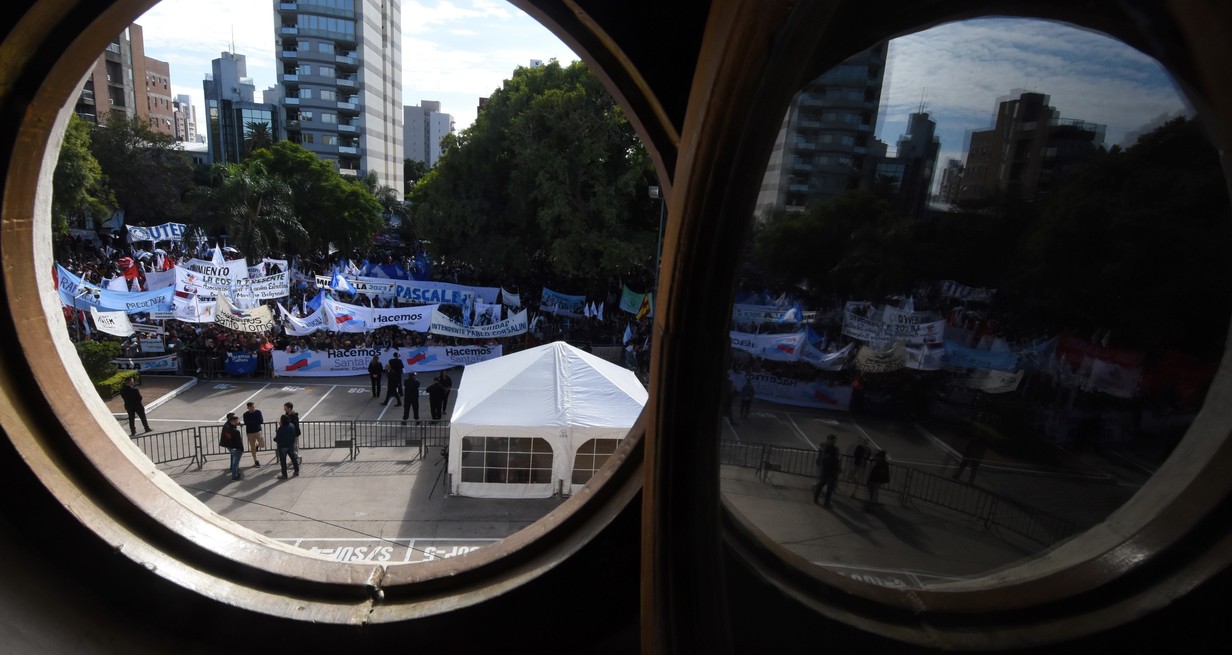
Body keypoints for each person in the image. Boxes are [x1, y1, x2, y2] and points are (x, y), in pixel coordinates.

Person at [812, 434, 842, 508]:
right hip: (830, 473)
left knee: (822, 485)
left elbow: (823, 462)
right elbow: (836, 465)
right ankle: (825, 502)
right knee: (828, 488)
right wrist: (838, 469)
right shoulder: (833, 456)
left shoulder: (827, 454)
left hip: (827, 472)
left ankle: (817, 499)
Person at [273, 414, 300, 479]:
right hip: (290, 445)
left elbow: (278, 438)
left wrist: (274, 439)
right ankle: (296, 471)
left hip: (283, 446)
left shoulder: (280, 429)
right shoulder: (291, 425)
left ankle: (284, 474)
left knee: (283, 461)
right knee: (293, 458)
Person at [219, 413, 245, 481]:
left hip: (229, 446)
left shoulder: (226, 425)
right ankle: (234, 476)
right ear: (232, 420)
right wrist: (242, 449)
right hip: (235, 447)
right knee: (235, 462)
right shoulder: (235, 431)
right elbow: (239, 442)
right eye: (236, 421)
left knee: (233, 459)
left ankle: (233, 470)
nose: (238, 422)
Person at [241, 401, 265, 468]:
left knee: (262, 444)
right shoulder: (245, 414)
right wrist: (255, 422)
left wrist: (251, 422)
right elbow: (246, 422)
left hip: (258, 431)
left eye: (253, 407)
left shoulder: (258, 412)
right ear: (248, 408)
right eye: (250, 408)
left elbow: (261, 421)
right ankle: (256, 460)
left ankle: (257, 445)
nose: (252, 409)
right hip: (250, 432)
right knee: (252, 447)